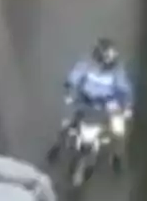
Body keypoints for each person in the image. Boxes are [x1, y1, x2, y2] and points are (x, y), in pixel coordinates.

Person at [50, 39, 135, 167]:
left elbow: (124, 89)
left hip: (107, 106)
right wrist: (69, 92)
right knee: (66, 125)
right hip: (84, 102)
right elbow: (74, 78)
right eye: (106, 57)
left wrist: (126, 106)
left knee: (119, 133)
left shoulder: (117, 72)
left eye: (111, 57)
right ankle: (57, 147)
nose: (109, 60)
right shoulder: (86, 65)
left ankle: (116, 156)